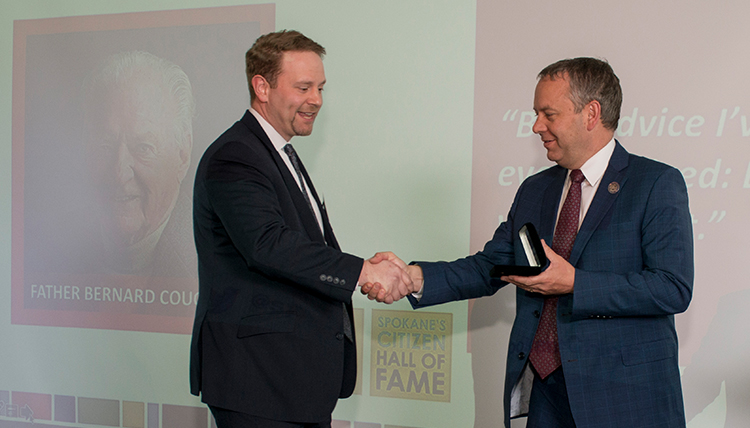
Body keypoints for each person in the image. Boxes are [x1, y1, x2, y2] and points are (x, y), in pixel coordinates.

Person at [364, 57, 694, 428]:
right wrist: (413, 278)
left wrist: (573, 282)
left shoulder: (655, 184)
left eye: (548, 114)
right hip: (546, 392)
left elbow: (672, 288)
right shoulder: (536, 189)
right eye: (536, 114)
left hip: (623, 398)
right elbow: (492, 265)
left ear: (591, 113)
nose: (537, 126)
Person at [189, 30, 411, 428]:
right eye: (304, 87)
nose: (317, 101)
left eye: (321, 88)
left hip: (291, 383)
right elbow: (268, 244)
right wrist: (363, 271)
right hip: (258, 383)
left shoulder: (277, 153)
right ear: (262, 86)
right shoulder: (236, 155)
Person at [59, 50, 197, 277]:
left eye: (143, 148)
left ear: (182, 153)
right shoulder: (55, 245)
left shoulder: (218, 254)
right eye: (105, 146)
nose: (119, 173)